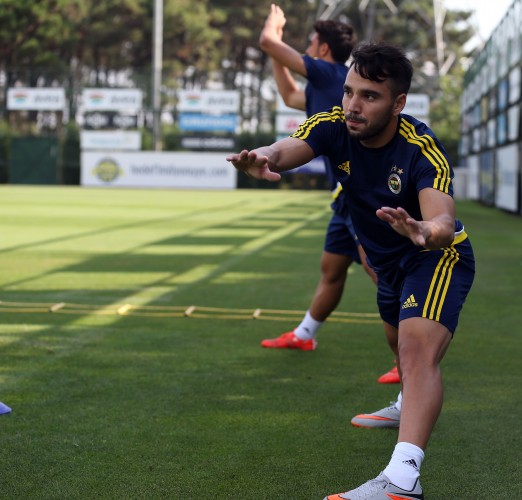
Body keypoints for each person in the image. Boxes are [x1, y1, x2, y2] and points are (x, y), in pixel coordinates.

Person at [227, 41, 475, 499]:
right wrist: (263, 157)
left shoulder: (421, 149)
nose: (353, 105)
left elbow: (441, 219)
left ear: (398, 103)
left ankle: (402, 482)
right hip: (387, 264)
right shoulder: (334, 125)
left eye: (370, 96)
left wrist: (426, 230)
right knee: (397, 344)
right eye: (348, 91)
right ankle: (406, 404)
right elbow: (286, 148)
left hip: (435, 256)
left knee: (415, 350)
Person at [259, 4, 399, 384]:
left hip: (359, 194)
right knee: (332, 268)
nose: (306, 49)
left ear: (322, 49)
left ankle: (409, 354)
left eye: (310, 43)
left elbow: (267, 41)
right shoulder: (324, 85)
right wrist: (276, 56)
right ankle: (305, 334)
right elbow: (290, 95)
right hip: (343, 196)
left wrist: (275, 29)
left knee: (379, 271)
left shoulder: (327, 71)